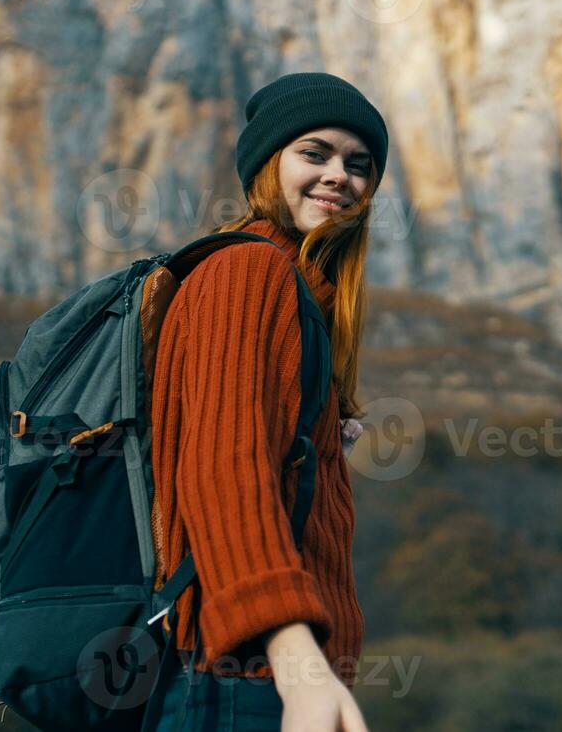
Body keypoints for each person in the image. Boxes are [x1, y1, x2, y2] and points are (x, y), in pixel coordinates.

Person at [142, 71, 388, 731]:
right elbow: (224, 475)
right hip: (241, 677)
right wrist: (301, 671)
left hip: (264, 674)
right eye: (316, 153)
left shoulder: (300, 296)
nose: (340, 175)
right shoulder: (247, 272)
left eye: (359, 165)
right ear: (267, 165)